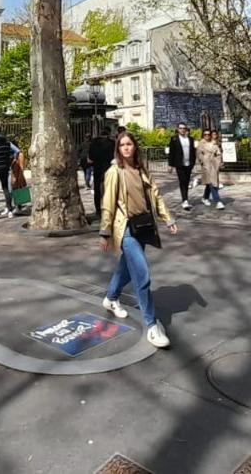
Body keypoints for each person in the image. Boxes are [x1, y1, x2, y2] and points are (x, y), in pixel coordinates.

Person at [98, 130, 178, 349]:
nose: (126, 148)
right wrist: (105, 232)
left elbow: (156, 195)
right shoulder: (115, 171)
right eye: (122, 144)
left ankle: (111, 298)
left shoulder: (141, 169)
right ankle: (152, 325)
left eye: (129, 144)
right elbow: (108, 203)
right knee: (141, 273)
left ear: (135, 146)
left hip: (143, 226)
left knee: (126, 268)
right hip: (125, 229)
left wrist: (168, 218)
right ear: (118, 148)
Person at [87, 127, 117, 217]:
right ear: (108, 133)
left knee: (97, 190)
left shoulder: (93, 143)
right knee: (110, 189)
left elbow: (91, 158)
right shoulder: (112, 143)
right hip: (109, 168)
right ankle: (109, 208)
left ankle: (98, 210)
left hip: (97, 168)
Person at [167, 122, 197, 210]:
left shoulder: (190, 139)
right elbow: (171, 153)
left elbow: (193, 151)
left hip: (189, 164)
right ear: (178, 129)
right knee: (182, 181)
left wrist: (193, 162)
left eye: (184, 128)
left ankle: (185, 199)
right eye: (181, 128)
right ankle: (185, 200)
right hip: (179, 164)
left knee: (187, 182)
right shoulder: (174, 139)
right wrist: (170, 165)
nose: (182, 130)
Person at [197, 129, 225, 209]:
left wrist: (217, 162)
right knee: (212, 183)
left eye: (208, 134)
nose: (207, 136)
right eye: (205, 134)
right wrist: (203, 161)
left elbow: (218, 154)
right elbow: (199, 155)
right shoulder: (201, 144)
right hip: (206, 166)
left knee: (210, 183)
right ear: (203, 135)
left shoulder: (214, 144)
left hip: (214, 166)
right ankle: (218, 201)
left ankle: (205, 198)